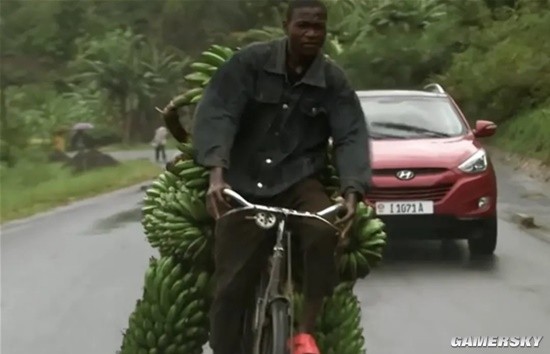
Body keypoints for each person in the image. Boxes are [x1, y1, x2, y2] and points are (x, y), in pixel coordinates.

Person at [164, 0, 371, 353]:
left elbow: (351, 134)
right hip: (244, 182)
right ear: (286, 25)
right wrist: (217, 175)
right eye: (302, 25)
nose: (310, 33)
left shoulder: (332, 80)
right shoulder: (250, 63)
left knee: (324, 231)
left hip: (298, 182)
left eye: (318, 27)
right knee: (230, 284)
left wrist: (352, 192)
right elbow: (220, 113)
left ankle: (305, 332)